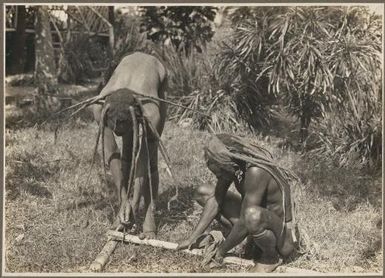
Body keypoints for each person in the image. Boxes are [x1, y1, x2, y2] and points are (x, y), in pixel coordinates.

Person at [177, 133, 298, 272]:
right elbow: (217, 199)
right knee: (203, 192)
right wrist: (193, 238)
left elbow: (245, 219)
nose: (219, 177)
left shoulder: (255, 171)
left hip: (282, 238)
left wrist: (220, 253)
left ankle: (270, 258)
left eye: (220, 173)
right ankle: (245, 239)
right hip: (255, 221)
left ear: (228, 163)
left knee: (251, 215)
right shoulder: (234, 165)